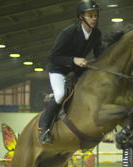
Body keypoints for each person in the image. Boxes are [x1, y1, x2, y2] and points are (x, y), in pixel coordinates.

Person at [38, 0, 104, 144]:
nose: (94, 18)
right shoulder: (68, 33)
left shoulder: (96, 34)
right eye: (90, 15)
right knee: (60, 94)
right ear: (81, 17)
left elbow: (100, 54)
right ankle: (44, 129)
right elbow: (53, 57)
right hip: (58, 69)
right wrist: (73, 60)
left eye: (95, 15)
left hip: (77, 70)